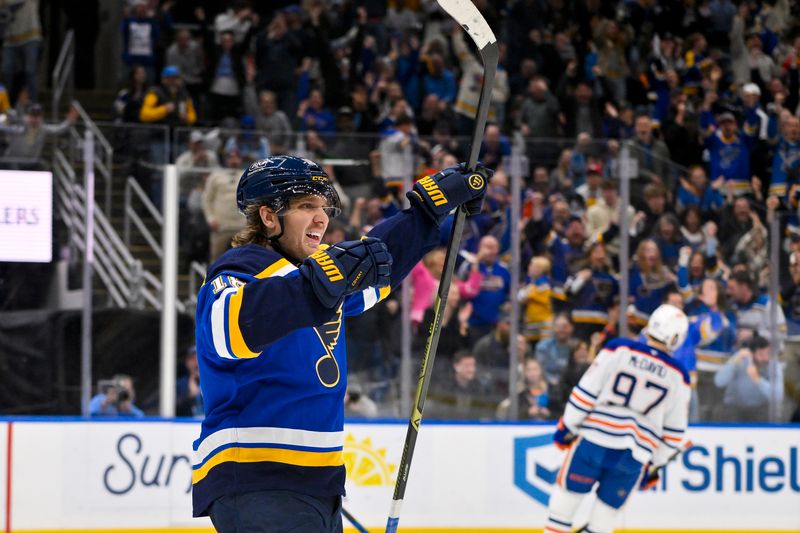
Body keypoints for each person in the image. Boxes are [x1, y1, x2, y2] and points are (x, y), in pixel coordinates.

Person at [191, 155, 488, 530]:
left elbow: (377, 267)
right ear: (268, 217)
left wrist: (429, 210)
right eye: (305, 206)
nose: (321, 218)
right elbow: (229, 328)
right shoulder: (238, 271)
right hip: (258, 480)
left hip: (316, 486)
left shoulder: (309, 283)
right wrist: (322, 282)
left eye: (324, 207)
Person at [545, 304, 691, 533]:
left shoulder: (618, 349)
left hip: (594, 443)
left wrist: (567, 427)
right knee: (603, 523)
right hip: (633, 457)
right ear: (675, 338)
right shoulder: (678, 375)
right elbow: (674, 435)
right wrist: (654, 464)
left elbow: (585, 393)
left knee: (562, 511)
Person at [713, 334, 783, 422]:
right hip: (734, 408)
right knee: (728, 414)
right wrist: (734, 361)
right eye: (761, 354)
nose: (765, 358)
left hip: (760, 410)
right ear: (751, 354)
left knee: (768, 415)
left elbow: (778, 396)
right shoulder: (739, 359)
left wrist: (758, 379)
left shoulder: (773, 365)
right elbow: (719, 382)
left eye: (768, 353)